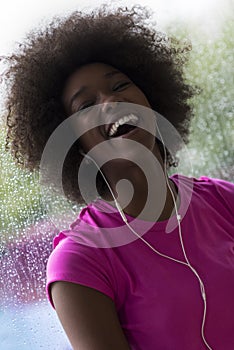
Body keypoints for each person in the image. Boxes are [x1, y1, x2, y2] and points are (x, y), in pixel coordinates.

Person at [3, 5, 234, 350]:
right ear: (76, 147)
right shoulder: (80, 261)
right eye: (86, 106)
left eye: (121, 85)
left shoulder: (222, 200)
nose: (112, 100)